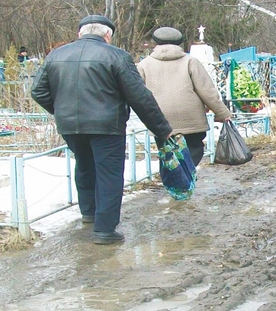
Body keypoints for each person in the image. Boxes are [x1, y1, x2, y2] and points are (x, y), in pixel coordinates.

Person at [31, 14, 175, 245]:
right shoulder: (116, 56)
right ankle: (105, 229)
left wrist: (61, 111)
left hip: (70, 125)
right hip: (106, 126)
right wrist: (162, 129)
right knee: (109, 173)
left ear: (80, 33)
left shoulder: (56, 55)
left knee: (84, 165)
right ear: (108, 35)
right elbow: (140, 97)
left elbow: (38, 91)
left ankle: (89, 212)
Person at [138, 26, 233, 166]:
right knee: (194, 148)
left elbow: (139, 94)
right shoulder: (190, 62)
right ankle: (187, 175)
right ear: (179, 42)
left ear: (156, 42)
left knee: (168, 153)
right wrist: (222, 113)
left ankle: (176, 180)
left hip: (161, 118)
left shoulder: (143, 65)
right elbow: (207, 91)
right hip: (191, 118)